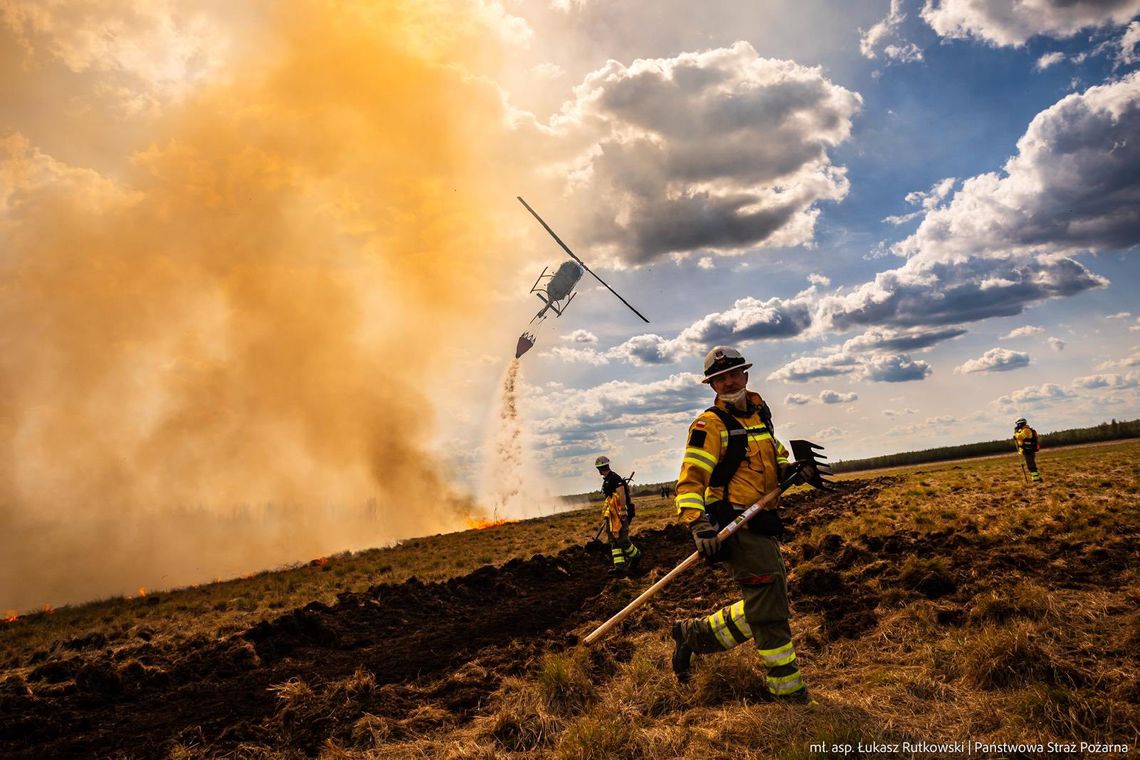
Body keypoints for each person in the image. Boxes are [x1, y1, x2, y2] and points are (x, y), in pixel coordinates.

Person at [669, 346, 809, 702]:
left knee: (767, 599)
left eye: (734, 374)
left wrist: (792, 469)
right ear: (712, 386)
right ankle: (789, 693)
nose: (728, 382)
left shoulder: (760, 414)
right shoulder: (709, 425)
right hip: (735, 524)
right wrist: (698, 525)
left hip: (763, 521)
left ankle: (693, 635)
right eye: (719, 378)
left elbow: (775, 456)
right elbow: (690, 482)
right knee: (770, 608)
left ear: (745, 375)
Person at [595, 456, 641, 576]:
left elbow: (621, 494)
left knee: (622, 540)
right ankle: (619, 567)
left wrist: (623, 510)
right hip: (612, 515)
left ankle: (636, 556)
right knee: (614, 541)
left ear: (599, 468)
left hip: (621, 513)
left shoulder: (615, 478)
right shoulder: (606, 480)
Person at [1013, 417, 1043, 483]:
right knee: (1031, 465)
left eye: (1018, 424)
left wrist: (1015, 433)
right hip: (1027, 450)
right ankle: (1036, 479)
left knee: (1031, 466)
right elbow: (1020, 440)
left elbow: (1020, 437)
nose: (1017, 426)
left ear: (1021, 424)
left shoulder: (1026, 430)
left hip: (1029, 450)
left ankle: (1036, 480)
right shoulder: (1023, 430)